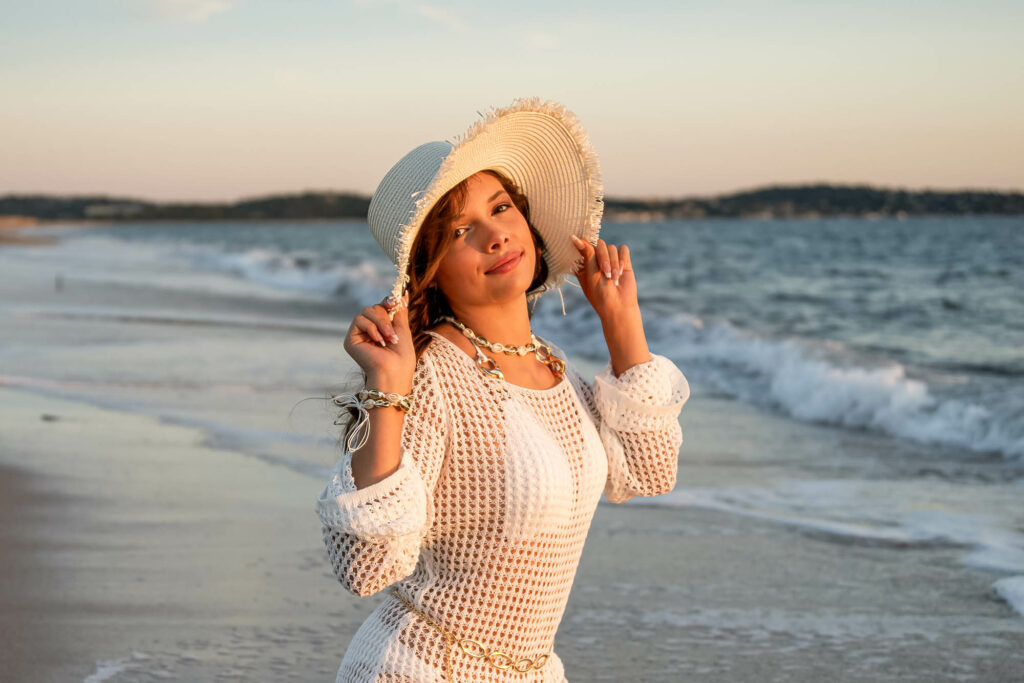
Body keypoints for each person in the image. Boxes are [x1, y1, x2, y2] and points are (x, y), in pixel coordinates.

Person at [315, 98, 691, 682]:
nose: (495, 236)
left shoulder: (553, 365)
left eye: (502, 207)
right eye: (462, 230)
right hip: (418, 669)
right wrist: (388, 388)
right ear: (430, 267)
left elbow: (647, 470)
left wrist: (622, 323)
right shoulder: (433, 373)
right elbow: (365, 566)